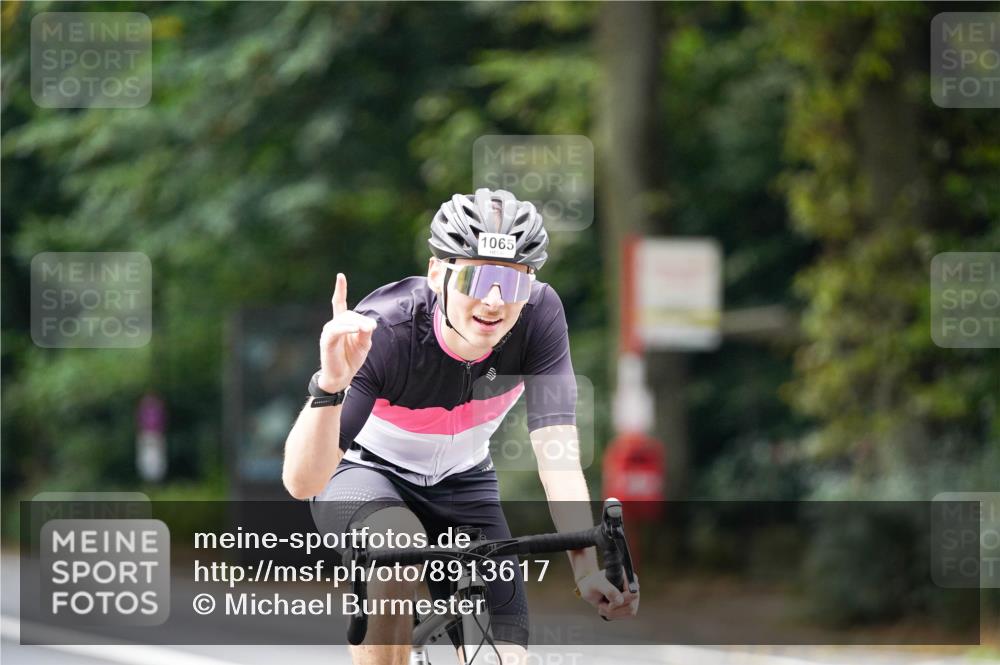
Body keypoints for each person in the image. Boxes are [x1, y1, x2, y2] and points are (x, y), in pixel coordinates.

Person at [282, 188, 638, 665]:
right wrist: (329, 385)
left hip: (464, 482)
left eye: (512, 283)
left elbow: (558, 456)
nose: (493, 300)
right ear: (437, 274)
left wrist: (585, 569)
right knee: (397, 543)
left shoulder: (540, 318)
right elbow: (304, 482)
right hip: (363, 475)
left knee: (507, 657)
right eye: (476, 277)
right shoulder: (383, 331)